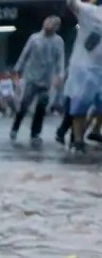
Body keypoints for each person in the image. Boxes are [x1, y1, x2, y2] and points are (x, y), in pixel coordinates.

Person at [12, 15, 65, 144]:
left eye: (53, 25)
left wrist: (59, 75)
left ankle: (35, 133)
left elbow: (60, 59)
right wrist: (17, 70)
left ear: (56, 28)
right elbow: (24, 54)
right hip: (31, 77)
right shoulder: (34, 38)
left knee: (41, 106)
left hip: (47, 79)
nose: (49, 26)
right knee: (24, 105)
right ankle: (15, 127)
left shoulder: (58, 41)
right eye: (48, 23)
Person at [65, 0, 102, 152]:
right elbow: (72, 4)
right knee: (80, 106)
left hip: (100, 69)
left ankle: (91, 132)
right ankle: (78, 140)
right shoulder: (90, 11)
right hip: (85, 68)